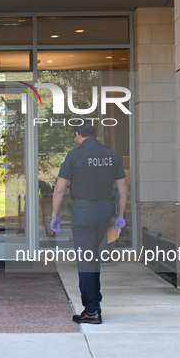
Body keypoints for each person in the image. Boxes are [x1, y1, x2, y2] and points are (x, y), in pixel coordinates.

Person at [50, 120, 127, 324]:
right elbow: (122, 190)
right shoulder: (112, 155)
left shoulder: (74, 156)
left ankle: (92, 310)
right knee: (92, 258)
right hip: (105, 211)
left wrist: (55, 215)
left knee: (86, 260)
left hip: (84, 211)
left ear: (78, 135)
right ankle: (94, 305)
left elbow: (59, 189)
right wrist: (120, 215)